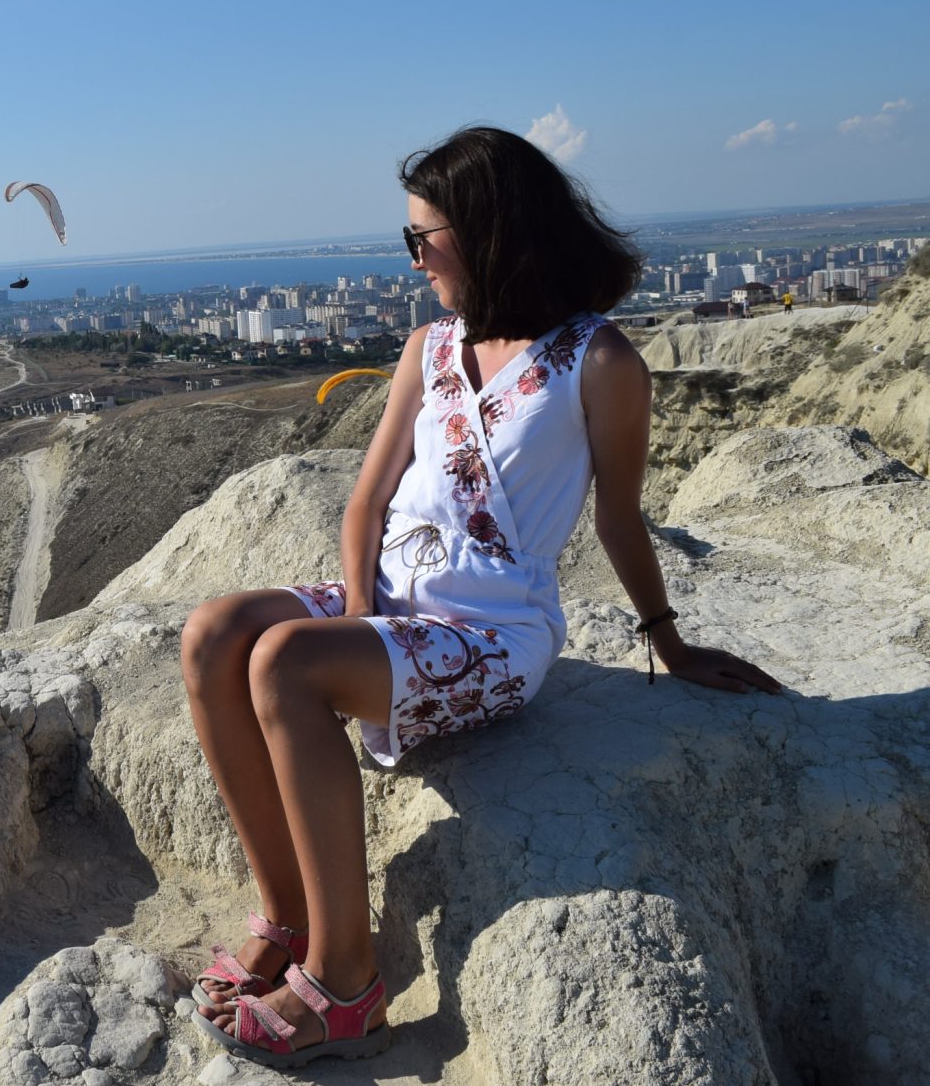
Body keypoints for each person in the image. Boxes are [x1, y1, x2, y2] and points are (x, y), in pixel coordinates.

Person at [182, 128, 781, 1069]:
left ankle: (347, 983)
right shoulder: (430, 347)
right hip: (389, 598)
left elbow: (621, 520)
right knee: (214, 633)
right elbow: (370, 496)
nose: (413, 259)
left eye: (424, 238)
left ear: (490, 231)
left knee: (283, 664)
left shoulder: (599, 360)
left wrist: (667, 639)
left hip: (493, 628)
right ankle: (291, 913)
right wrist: (359, 615)